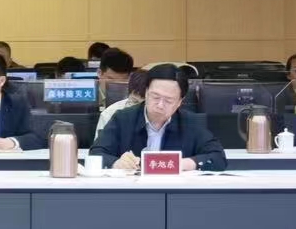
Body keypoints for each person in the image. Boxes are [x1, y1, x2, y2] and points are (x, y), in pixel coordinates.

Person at [91, 63, 226, 174]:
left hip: (176, 191)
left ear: (180, 102)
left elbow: (218, 158)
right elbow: (96, 153)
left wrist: (183, 164)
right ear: (146, 92)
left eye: (168, 100)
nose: (160, 105)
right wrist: (116, 163)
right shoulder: (122, 118)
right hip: (132, 191)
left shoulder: (191, 123)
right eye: (155, 97)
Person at [95, 66, 151, 137]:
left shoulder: (159, 116)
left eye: (144, 103)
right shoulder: (109, 114)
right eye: (135, 101)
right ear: (128, 92)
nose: (139, 107)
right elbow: (100, 143)